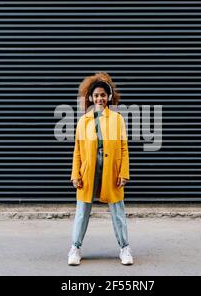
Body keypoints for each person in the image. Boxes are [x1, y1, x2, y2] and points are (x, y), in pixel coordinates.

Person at [68, 72, 133, 266]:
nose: (99, 98)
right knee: (82, 211)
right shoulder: (83, 121)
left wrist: (124, 172)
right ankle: (75, 248)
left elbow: (123, 146)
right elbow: (78, 150)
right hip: (88, 170)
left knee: (118, 211)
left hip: (111, 170)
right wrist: (75, 173)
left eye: (103, 95)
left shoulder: (117, 119)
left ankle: (125, 248)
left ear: (109, 97)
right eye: (96, 95)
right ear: (90, 97)